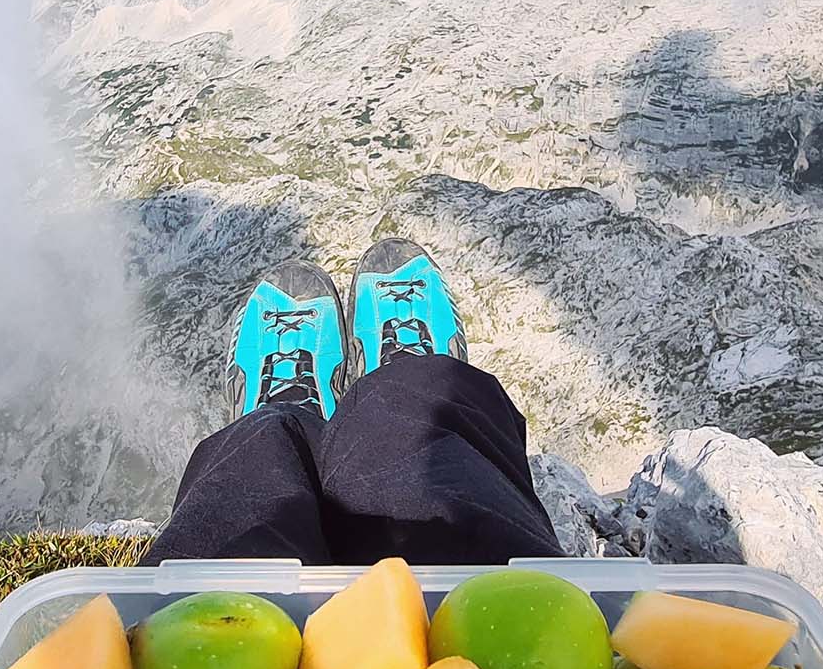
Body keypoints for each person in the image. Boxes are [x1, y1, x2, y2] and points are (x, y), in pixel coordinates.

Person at [145, 239, 562, 565]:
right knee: (418, 407)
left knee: (256, 457)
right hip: (497, 591)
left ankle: (290, 418)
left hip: (226, 629)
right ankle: (409, 373)